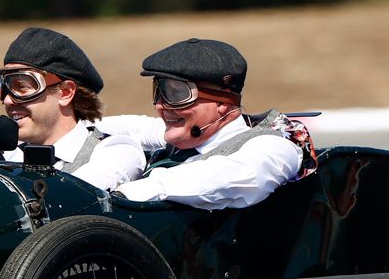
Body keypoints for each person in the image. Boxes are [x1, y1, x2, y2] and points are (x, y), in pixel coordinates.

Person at [100, 38, 303, 210]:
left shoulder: (275, 147)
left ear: (223, 103)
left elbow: (233, 176)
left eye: (177, 93)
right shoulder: (185, 135)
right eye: (158, 92)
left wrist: (125, 194)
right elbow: (134, 127)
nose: (161, 105)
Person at [0, 27, 148, 191]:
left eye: (22, 87)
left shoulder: (115, 151)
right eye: (4, 87)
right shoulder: (11, 157)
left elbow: (67, 199)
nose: (8, 101)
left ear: (65, 93)